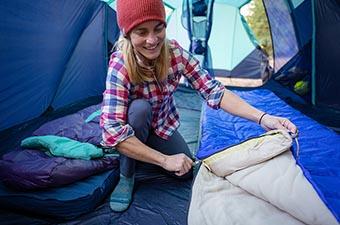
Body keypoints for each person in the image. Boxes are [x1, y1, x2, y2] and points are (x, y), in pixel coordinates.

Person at [100, 0, 297, 212]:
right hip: (134, 125)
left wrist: (263, 118)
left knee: (184, 172)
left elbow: (214, 91)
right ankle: (127, 173)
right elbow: (114, 133)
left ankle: (145, 151)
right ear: (127, 34)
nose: (152, 40)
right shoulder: (120, 66)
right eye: (141, 32)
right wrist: (164, 160)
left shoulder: (175, 53)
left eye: (158, 29)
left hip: (162, 126)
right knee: (140, 109)